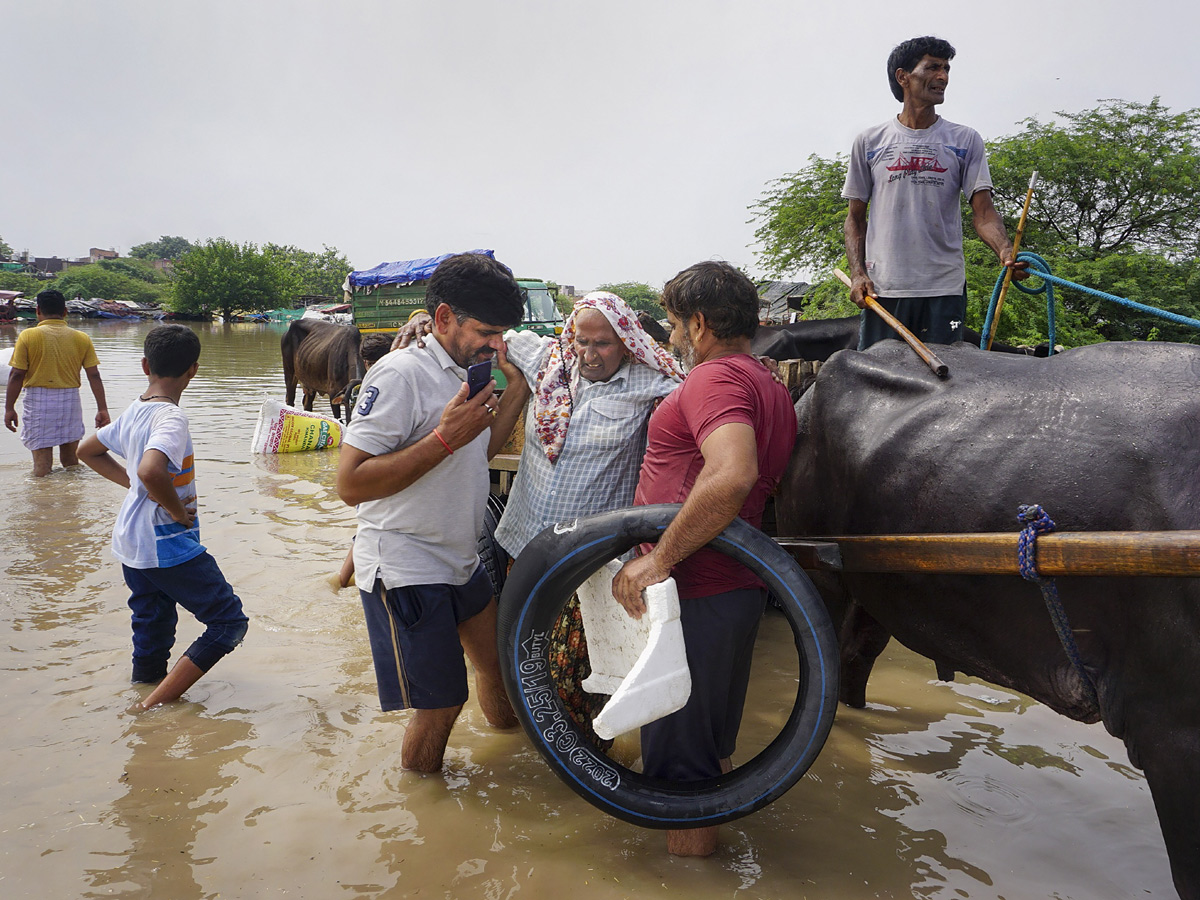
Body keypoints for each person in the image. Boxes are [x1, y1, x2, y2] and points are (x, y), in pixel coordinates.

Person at [611, 261, 797, 858]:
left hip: (692, 596)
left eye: (671, 324)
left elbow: (732, 473)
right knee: (708, 754)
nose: (669, 338)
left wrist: (657, 559)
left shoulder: (713, 381)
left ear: (697, 323)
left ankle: (688, 878)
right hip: (733, 591)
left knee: (678, 775)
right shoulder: (767, 383)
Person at [336, 252, 526, 773]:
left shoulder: (472, 370)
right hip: (406, 565)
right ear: (444, 318)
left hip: (459, 559)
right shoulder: (400, 375)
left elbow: (473, 455)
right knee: (441, 705)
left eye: (502, 333)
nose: (496, 343)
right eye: (486, 331)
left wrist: (518, 390)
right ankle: (421, 812)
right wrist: (444, 438)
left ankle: (516, 758)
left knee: (500, 669)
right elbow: (350, 484)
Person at [77, 324, 249, 710]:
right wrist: (174, 509)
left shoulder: (135, 411)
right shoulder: (171, 419)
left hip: (132, 543)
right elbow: (151, 470)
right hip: (164, 542)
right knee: (228, 623)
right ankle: (151, 706)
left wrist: (138, 491)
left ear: (144, 366)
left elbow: (87, 450)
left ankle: (144, 692)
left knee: (152, 627)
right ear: (194, 370)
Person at [843, 35, 1027, 351]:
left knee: (944, 382)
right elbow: (855, 220)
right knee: (881, 381)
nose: (942, 77)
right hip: (885, 289)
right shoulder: (870, 142)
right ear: (903, 77)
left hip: (944, 289)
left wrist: (1005, 251)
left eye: (946, 69)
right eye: (932, 68)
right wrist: (858, 274)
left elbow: (983, 213)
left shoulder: (965, 140)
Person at [5, 289, 110, 476]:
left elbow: (16, 375)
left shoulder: (28, 336)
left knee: (42, 465)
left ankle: (43, 502)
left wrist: (9, 408)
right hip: (70, 400)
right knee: (71, 462)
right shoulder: (81, 338)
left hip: (39, 401)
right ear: (65, 312)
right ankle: (73, 502)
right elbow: (94, 375)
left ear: (38, 310)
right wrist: (102, 409)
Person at [336, 331, 397, 589]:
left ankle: (340, 582)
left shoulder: (367, 389)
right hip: (385, 470)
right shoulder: (394, 382)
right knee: (367, 526)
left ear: (366, 363)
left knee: (366, 525)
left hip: (368, 468)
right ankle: (341, 581)